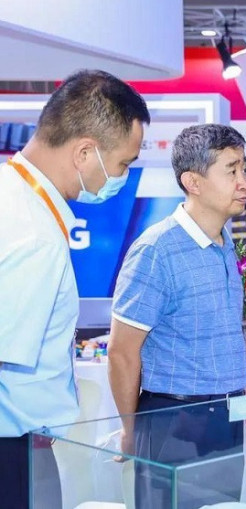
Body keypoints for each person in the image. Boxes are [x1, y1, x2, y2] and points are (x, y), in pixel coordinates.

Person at [0, 70, 148, 509]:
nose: (121, 177)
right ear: (85, 152)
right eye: (122, 164)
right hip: (11, 450)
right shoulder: (35, 238)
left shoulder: (11, 198)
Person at [108, 124, 246, 508]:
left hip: (227, 415)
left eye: (244, 168)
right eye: (231, 170)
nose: (243, 182)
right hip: (174, 419)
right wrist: (130, 429)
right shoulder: (156, 249)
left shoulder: (225, 244)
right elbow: (122, 351)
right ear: (193, 182)